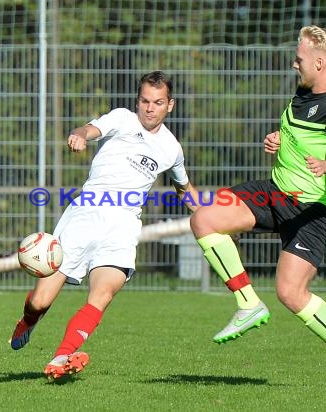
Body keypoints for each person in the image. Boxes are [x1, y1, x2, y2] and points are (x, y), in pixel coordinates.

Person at [189, 25, 326, 389]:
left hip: (313, 210)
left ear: (320, 62)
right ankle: (248, 303)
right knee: (205, 218)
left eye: (299, 59)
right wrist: (279, 140)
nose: (294, 64)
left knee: (290, 294)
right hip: (277, 192)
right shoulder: (305, 91)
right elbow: (299, 133)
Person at [10, 71, 200, 380]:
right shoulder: (123, 118)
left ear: (171, 105)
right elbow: (90, 128)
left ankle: (61, 358)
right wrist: (81, 135)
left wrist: (212, 215)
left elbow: (185, 190)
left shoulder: (171, 148)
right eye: (144, 101)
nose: (150, 108)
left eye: (158, 102)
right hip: (85, 215)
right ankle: (28, 320)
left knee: (102, 295)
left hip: (123, 226)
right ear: (137, 101)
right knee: (41, 301)